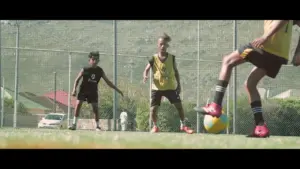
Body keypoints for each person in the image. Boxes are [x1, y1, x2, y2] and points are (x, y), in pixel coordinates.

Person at [197, 20, 297, 138]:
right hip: (280, 55)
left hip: (267, 47)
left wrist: (265, 36)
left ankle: (215, 105)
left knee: (227, 61)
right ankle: (260, 126)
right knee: (250, 84)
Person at [143, 33, 194, 134]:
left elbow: (176, 72)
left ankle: (183, 125)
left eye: (165, 44)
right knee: (153, 109)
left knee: (179, 107)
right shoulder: (153, 58)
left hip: (170, 87)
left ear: (167, 46)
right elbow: (146, 69)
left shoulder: (172, 58)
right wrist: (145, 75)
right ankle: (155, 126)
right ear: (158, 45)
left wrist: (179, 85)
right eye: (161, 44)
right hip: (157, 88)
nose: (163, 46)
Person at [69, 51, 124, 131]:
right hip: (83, 90)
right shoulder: (85, 69)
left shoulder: (100, 71)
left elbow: (108, 82)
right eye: (93, 59)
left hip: (93, 91)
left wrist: (118, 90)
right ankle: (74, 124)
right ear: (90, 60)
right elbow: (77, 80)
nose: (95, 61)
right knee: (78, 104)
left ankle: (97, 126)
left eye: (97, 60)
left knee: (95, 108)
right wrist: (74, 90)